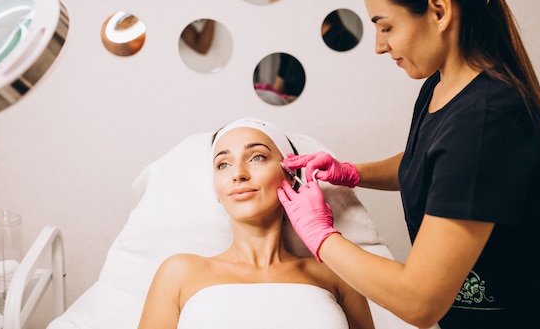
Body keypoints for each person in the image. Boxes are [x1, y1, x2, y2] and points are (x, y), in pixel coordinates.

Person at [278, 0, 540, 329]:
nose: (379, 45)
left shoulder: (488, 119)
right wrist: (351, 172)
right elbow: (434, 162)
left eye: (386, 26)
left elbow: (420, 303)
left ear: (438, 10)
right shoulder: (444, 86)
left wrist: (320, 236)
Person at [137, 118, 374, 329]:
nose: (238, 174)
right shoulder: (179, 273)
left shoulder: (337, 271)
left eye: (257, 157)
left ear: (291, 176)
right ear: (216, 190)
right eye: (223, 164)